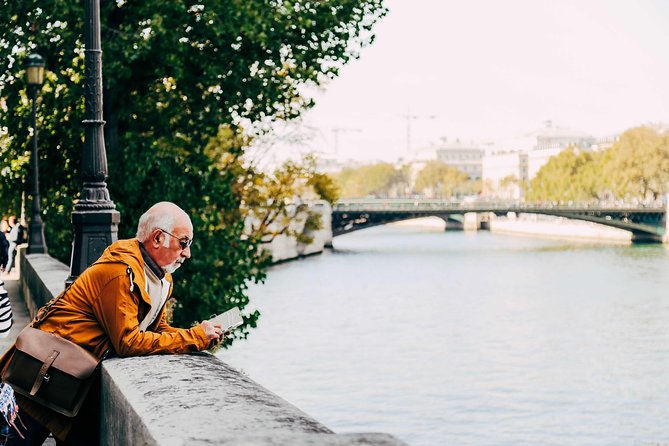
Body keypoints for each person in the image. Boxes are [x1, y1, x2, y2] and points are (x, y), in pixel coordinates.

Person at [0, 202, 225, 445]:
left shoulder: (161, 279)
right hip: (39, 377)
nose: (187, 253)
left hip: (70, 381)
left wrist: (201, 335)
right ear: (158, 237)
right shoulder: (121, 273)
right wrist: (194, 338)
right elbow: (128, 342)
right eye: (184, 242)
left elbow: (158, 330)